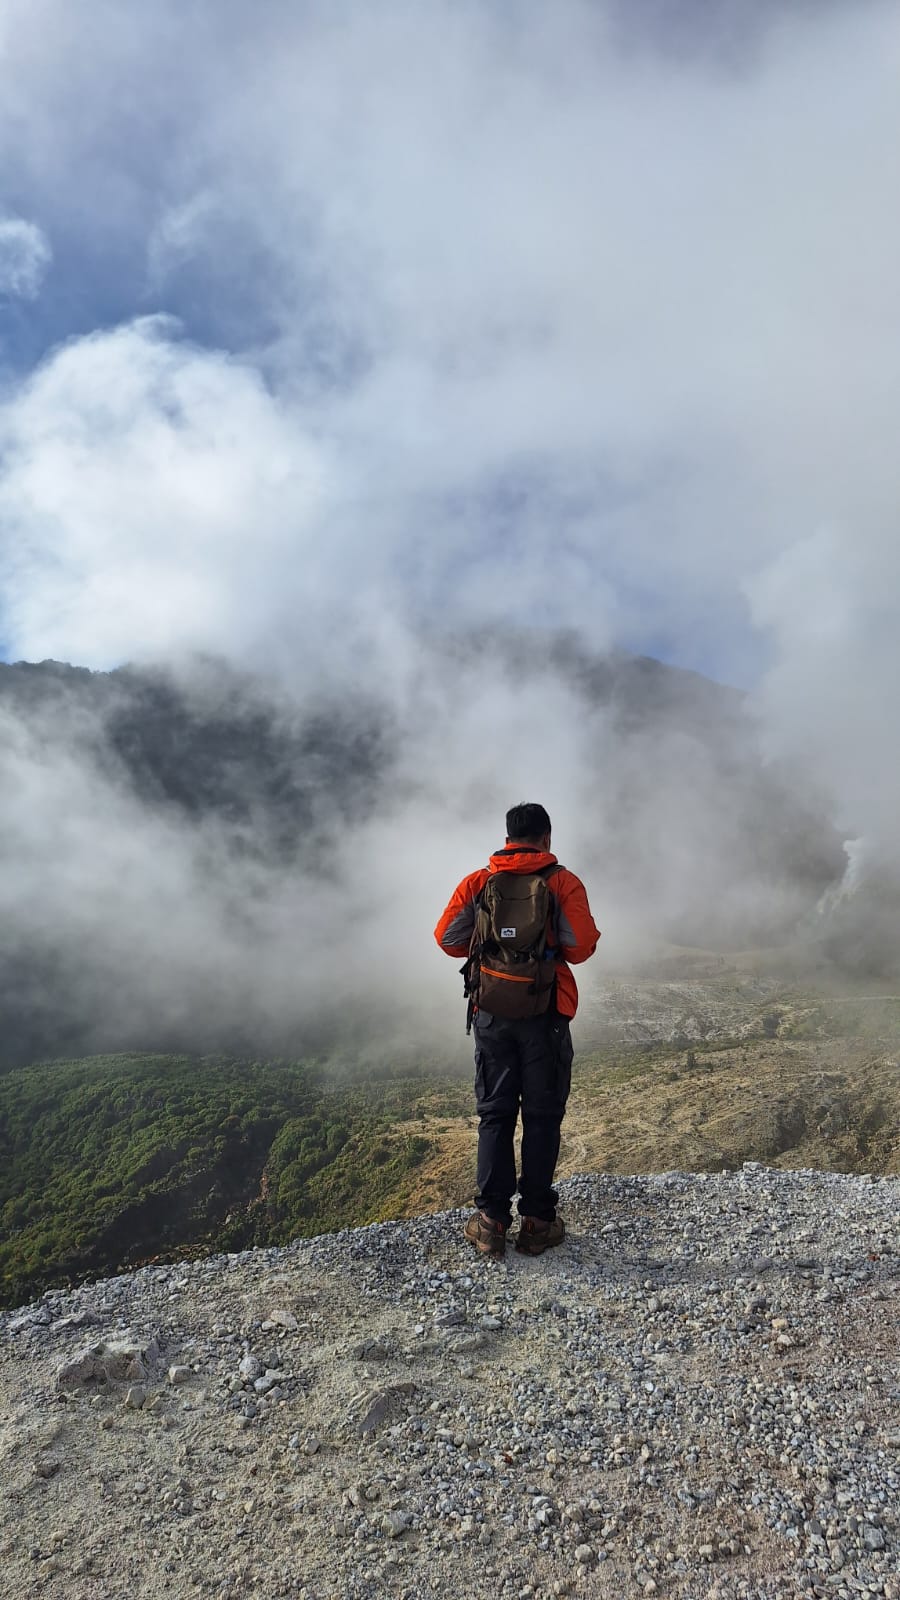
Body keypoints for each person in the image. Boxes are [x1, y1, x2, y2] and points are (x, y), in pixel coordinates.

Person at [434, 803, 600, 1257]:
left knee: (495, 1114)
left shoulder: (478, 882)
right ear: (546, 838)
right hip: (545, 1014)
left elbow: (446, 939)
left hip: (490, 1013)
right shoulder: (563, 882)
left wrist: (493, 949)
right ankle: (537, 1223)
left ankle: (490, 1222)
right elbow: (582, 947)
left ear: (508, 839)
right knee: (542, 1117)